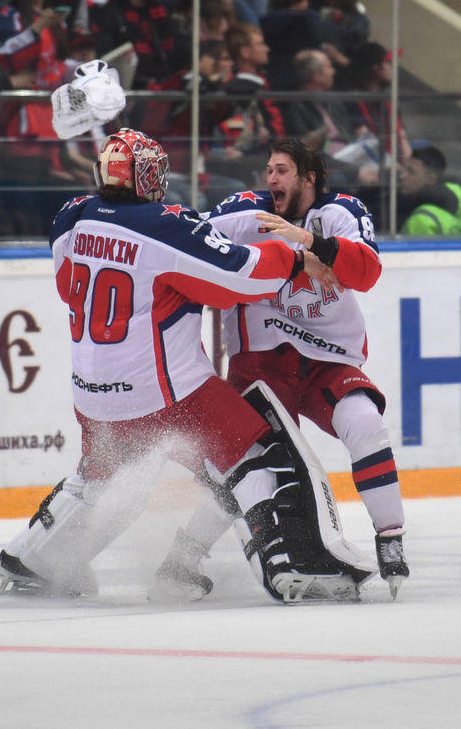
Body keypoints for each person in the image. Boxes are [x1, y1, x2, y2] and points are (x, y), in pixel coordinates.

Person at [0, 128, 370, 603]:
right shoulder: (164, 225)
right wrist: (295, 257)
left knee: (100, 476)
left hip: (92, 390)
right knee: (253, 457)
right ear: (149, 176)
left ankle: (32, 562)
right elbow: (240, 275)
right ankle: (287, 569)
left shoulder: (70, 217)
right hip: (166, 391)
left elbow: (126, 252)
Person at [154, 138, 410, 598]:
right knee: (245, 465)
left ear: (309, 177)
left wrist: (311, 243)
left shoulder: (340, 212)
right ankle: (182, 559)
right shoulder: (244, 214)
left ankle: (390, 540)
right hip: (261, 366)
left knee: (366, 425)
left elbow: (368, 273)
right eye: (268, 170)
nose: (271, 179)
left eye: (282, 171)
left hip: (327, 359)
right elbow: (187, 243)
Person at [395, 144, 461, 235]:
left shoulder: (422, 219)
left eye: (411, 171)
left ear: (430, 179)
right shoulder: (459, 213)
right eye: (403, 169)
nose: (401, 176)